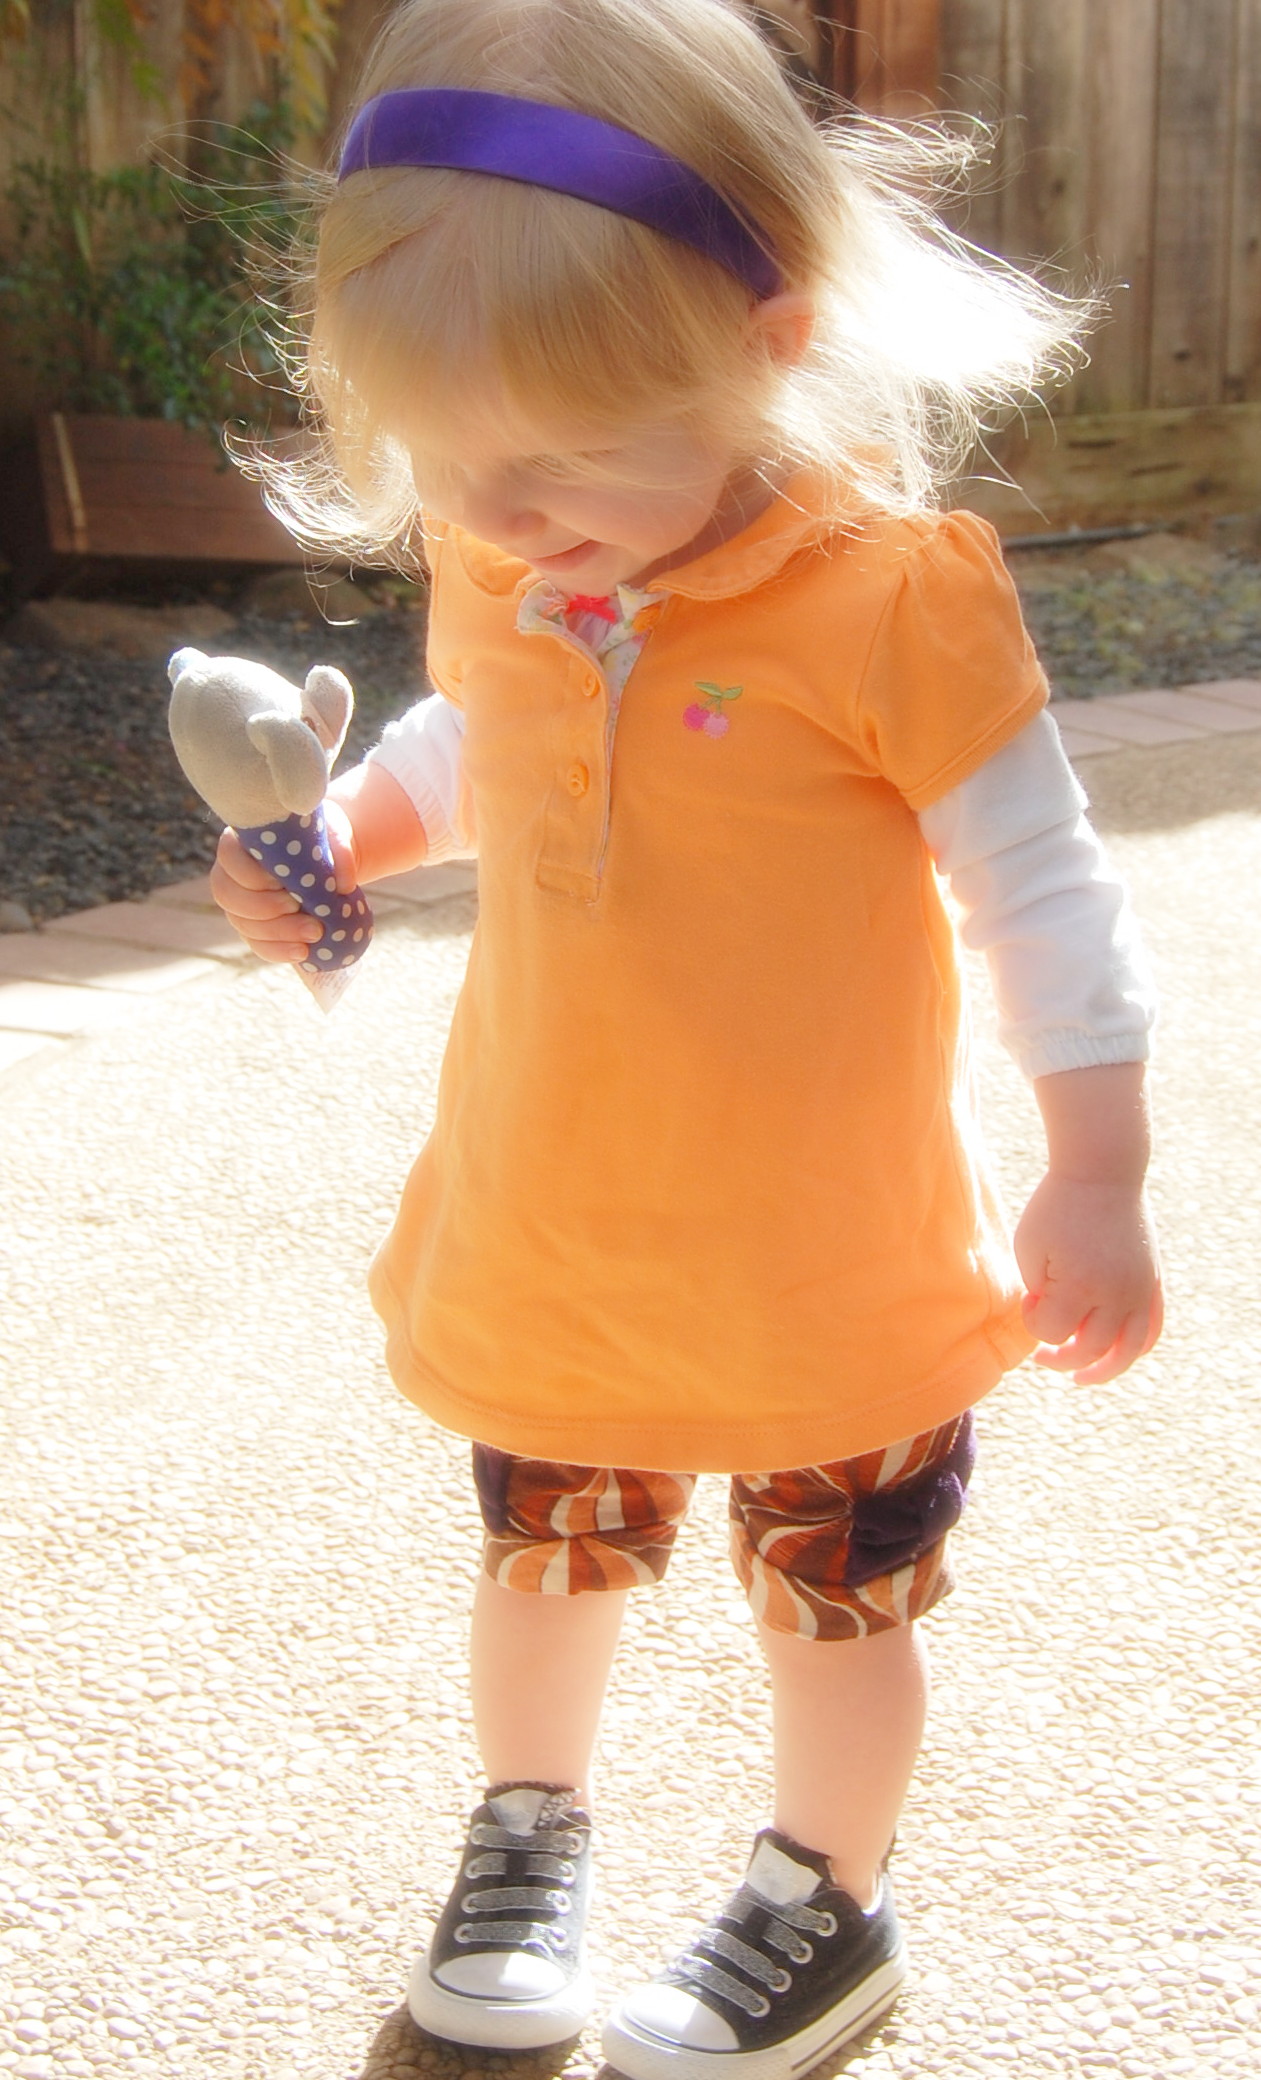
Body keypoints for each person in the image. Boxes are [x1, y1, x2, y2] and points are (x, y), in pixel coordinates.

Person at [209, 1, 1163, 2070]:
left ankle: (827, 1894)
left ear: (765, 343)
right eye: (446, 460)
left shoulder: (889, 601)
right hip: (559, 1216)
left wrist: (1094, 1164)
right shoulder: (516, 552)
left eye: (553, 458)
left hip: (833, 1249)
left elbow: (1040, 885)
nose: (495, 516)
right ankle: (526, 1827)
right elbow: (484, 731)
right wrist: (347, 831)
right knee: (543, 1560)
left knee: (834, 1601)